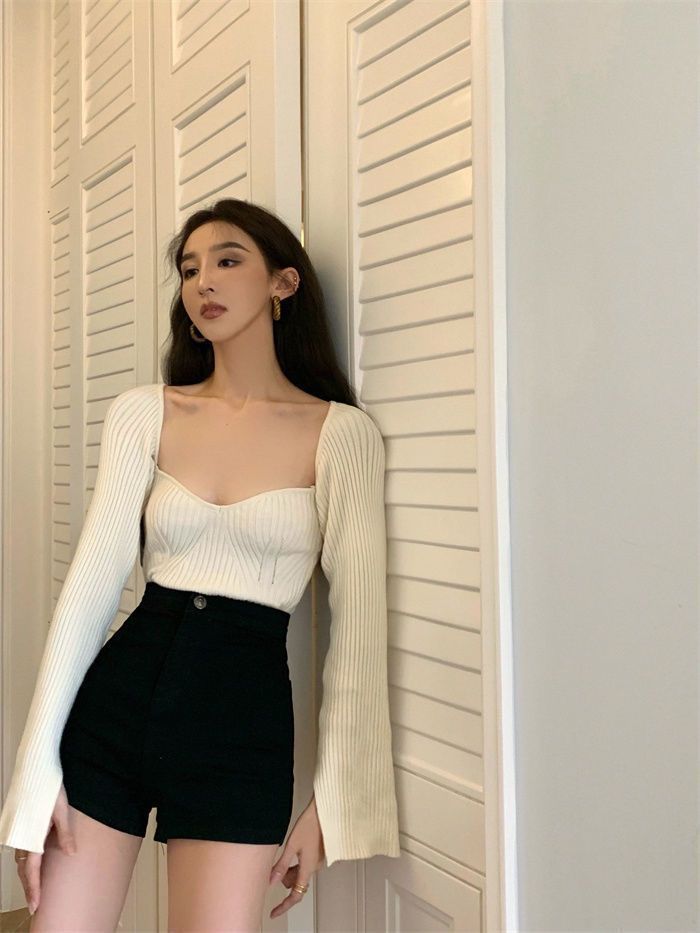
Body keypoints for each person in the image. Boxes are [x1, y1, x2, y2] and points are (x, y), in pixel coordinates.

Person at [0, 198, 400, 930]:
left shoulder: (342, 435)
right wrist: (34, 776)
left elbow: (358, 633)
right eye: (188, 269)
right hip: (115, 711)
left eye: (227, 260)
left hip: (240, 732)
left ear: (283, 282)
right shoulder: (144, 412)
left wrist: (335, 803)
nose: (202, 281)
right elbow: (88, 593)